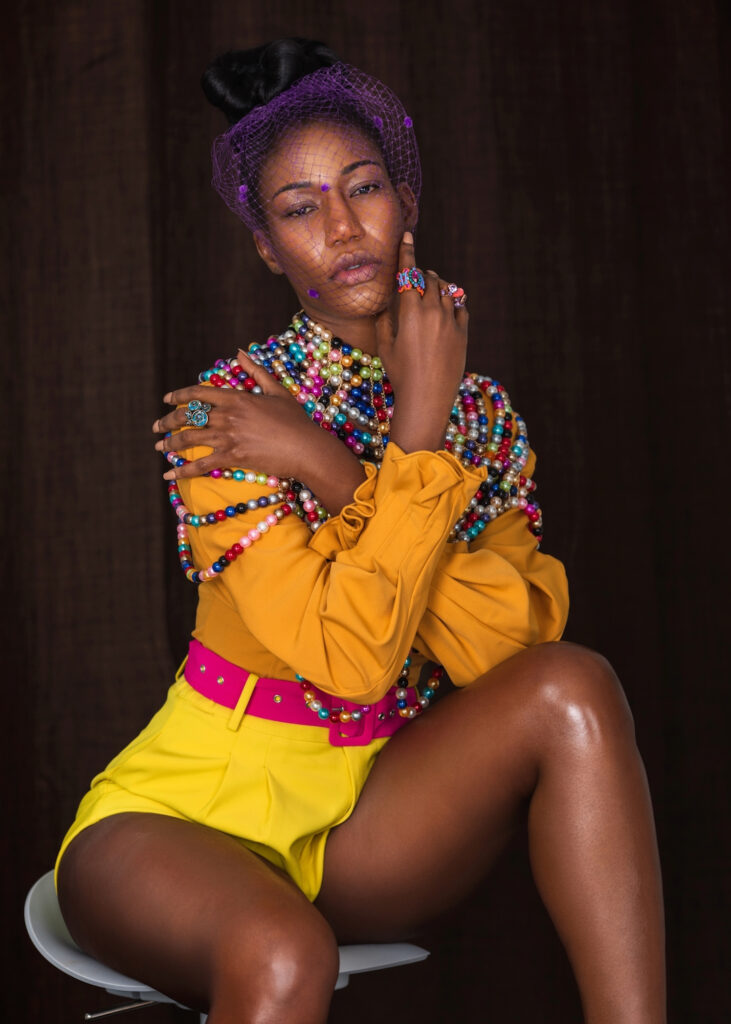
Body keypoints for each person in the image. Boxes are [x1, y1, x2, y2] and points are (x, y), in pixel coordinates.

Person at [55, 37, 666, 1024]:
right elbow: (349, 660)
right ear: (268, 246)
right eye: (300, 209)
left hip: (368, 821)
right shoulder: (228, 412)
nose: (342, 226)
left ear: (405, 202)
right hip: (182, 818)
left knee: (573, 685)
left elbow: (506, 650)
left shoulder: (480, 419)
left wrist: (342, 462)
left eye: (364, 188)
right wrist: (407, 449)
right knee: (282, 954)